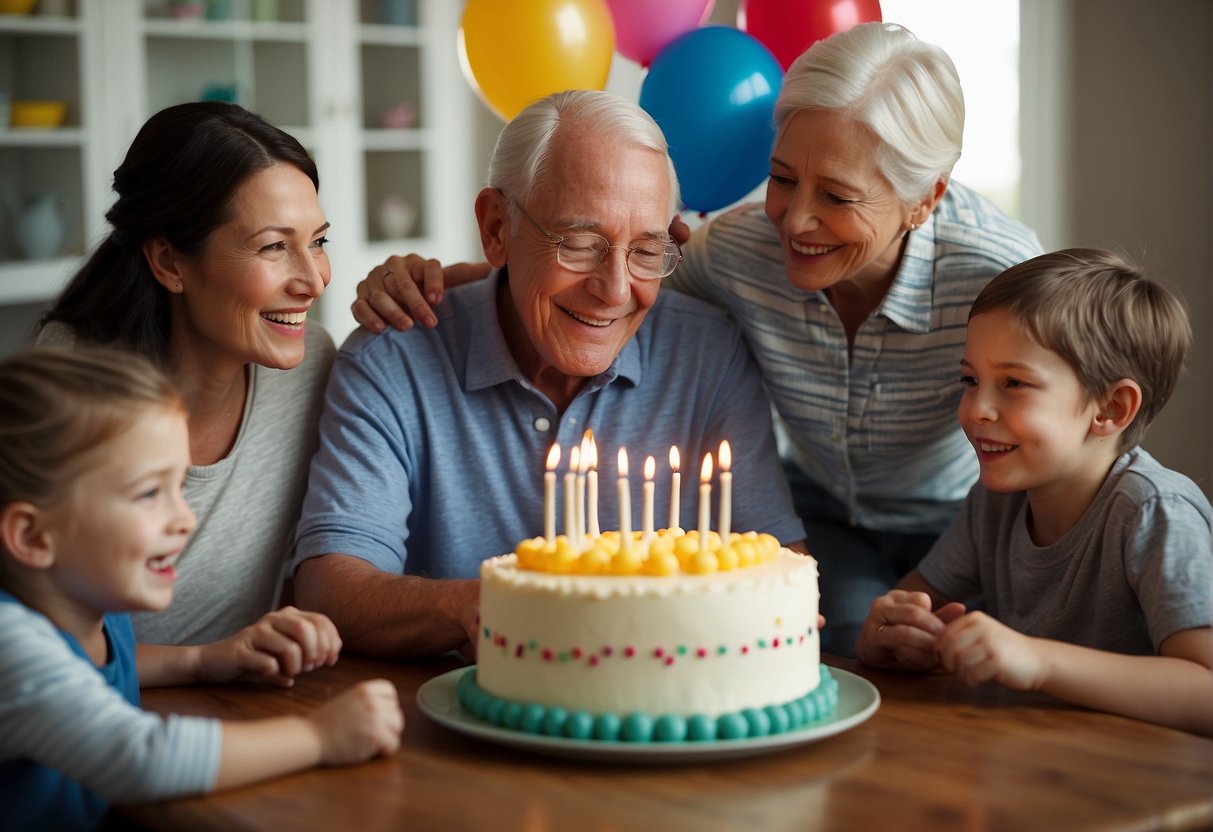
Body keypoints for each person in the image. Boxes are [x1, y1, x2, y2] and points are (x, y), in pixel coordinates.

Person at [349, 23, 1044, 657]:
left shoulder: (1003, 280)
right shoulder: (736, 253)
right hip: (826, 511)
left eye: (836, 197)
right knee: (849, 649)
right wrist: (468, 275)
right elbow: (612, 287)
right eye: (780, 179)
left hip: (971, 515)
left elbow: (1065, 429)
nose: (794, 220)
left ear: (924, 200)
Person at [291, 89, 808, 660]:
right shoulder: (392, 360)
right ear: (495, 227)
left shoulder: (707, 355)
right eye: (580, 244)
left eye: (645, 250)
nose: (614, 291)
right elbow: (331, 588)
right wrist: (510, 606)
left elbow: (782, 576)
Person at [0, 348, 404, 831]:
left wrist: (202, 659)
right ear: (32, 536)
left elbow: (85, 671)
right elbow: (144, 758)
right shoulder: (11, 643)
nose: (184, 518)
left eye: (179, 486)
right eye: (150, 493)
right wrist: (320, 736)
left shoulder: (93, 613)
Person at [855, 249, 1213, 736]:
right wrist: (891, 631)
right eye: (970, 379)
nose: (978, 408)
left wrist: (1039, 662)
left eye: (1014, 383)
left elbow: (1204, 691)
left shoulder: (1154, 511)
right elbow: (916, 599)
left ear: (1110, 407)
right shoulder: (997, 501)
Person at [37, 101, 336, 647]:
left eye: (318, 241)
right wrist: (201, 662)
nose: (314, 280)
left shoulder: (310, 365)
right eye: (274, 246)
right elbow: (34, 651)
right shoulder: (72, 382)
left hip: (240, 701)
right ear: (170, 263)